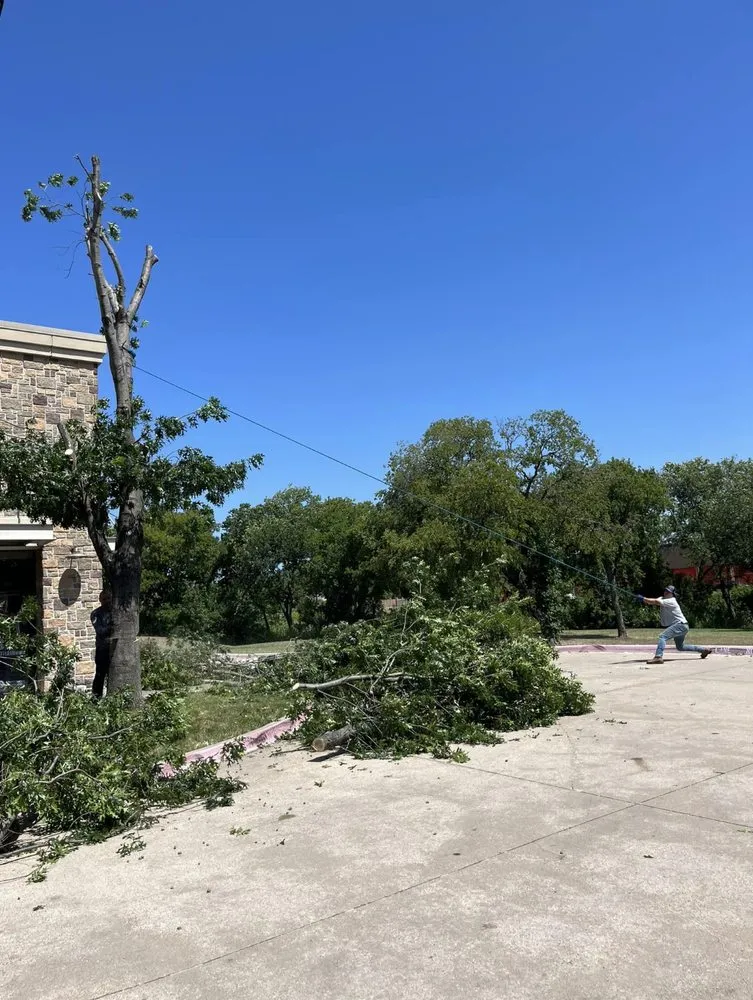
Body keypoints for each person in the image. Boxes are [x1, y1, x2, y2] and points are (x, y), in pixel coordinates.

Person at [637, 585, 711, 665]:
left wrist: (643, 598)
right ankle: (703, 650)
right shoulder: (663, 599)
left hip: (680, 625)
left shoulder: (671, 600)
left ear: (672, 594)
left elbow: (656, 601)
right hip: (683, 625)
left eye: (668, 591)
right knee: (680, 647)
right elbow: (653, 601)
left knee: (663, 636)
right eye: (665, 590)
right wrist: (643, 600)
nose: (666, 592)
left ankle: (658, 657)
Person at [90, 590, 112, 698]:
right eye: (104, 599)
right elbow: (100, 631)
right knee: (100, 675)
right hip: (102, 649)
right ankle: (96, 699)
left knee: (112, 675)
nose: (107, 601)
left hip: (114, 649)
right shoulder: (96, 614)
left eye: (109, 598)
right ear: (100, 600)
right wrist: (112, 627)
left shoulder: (115, 612)